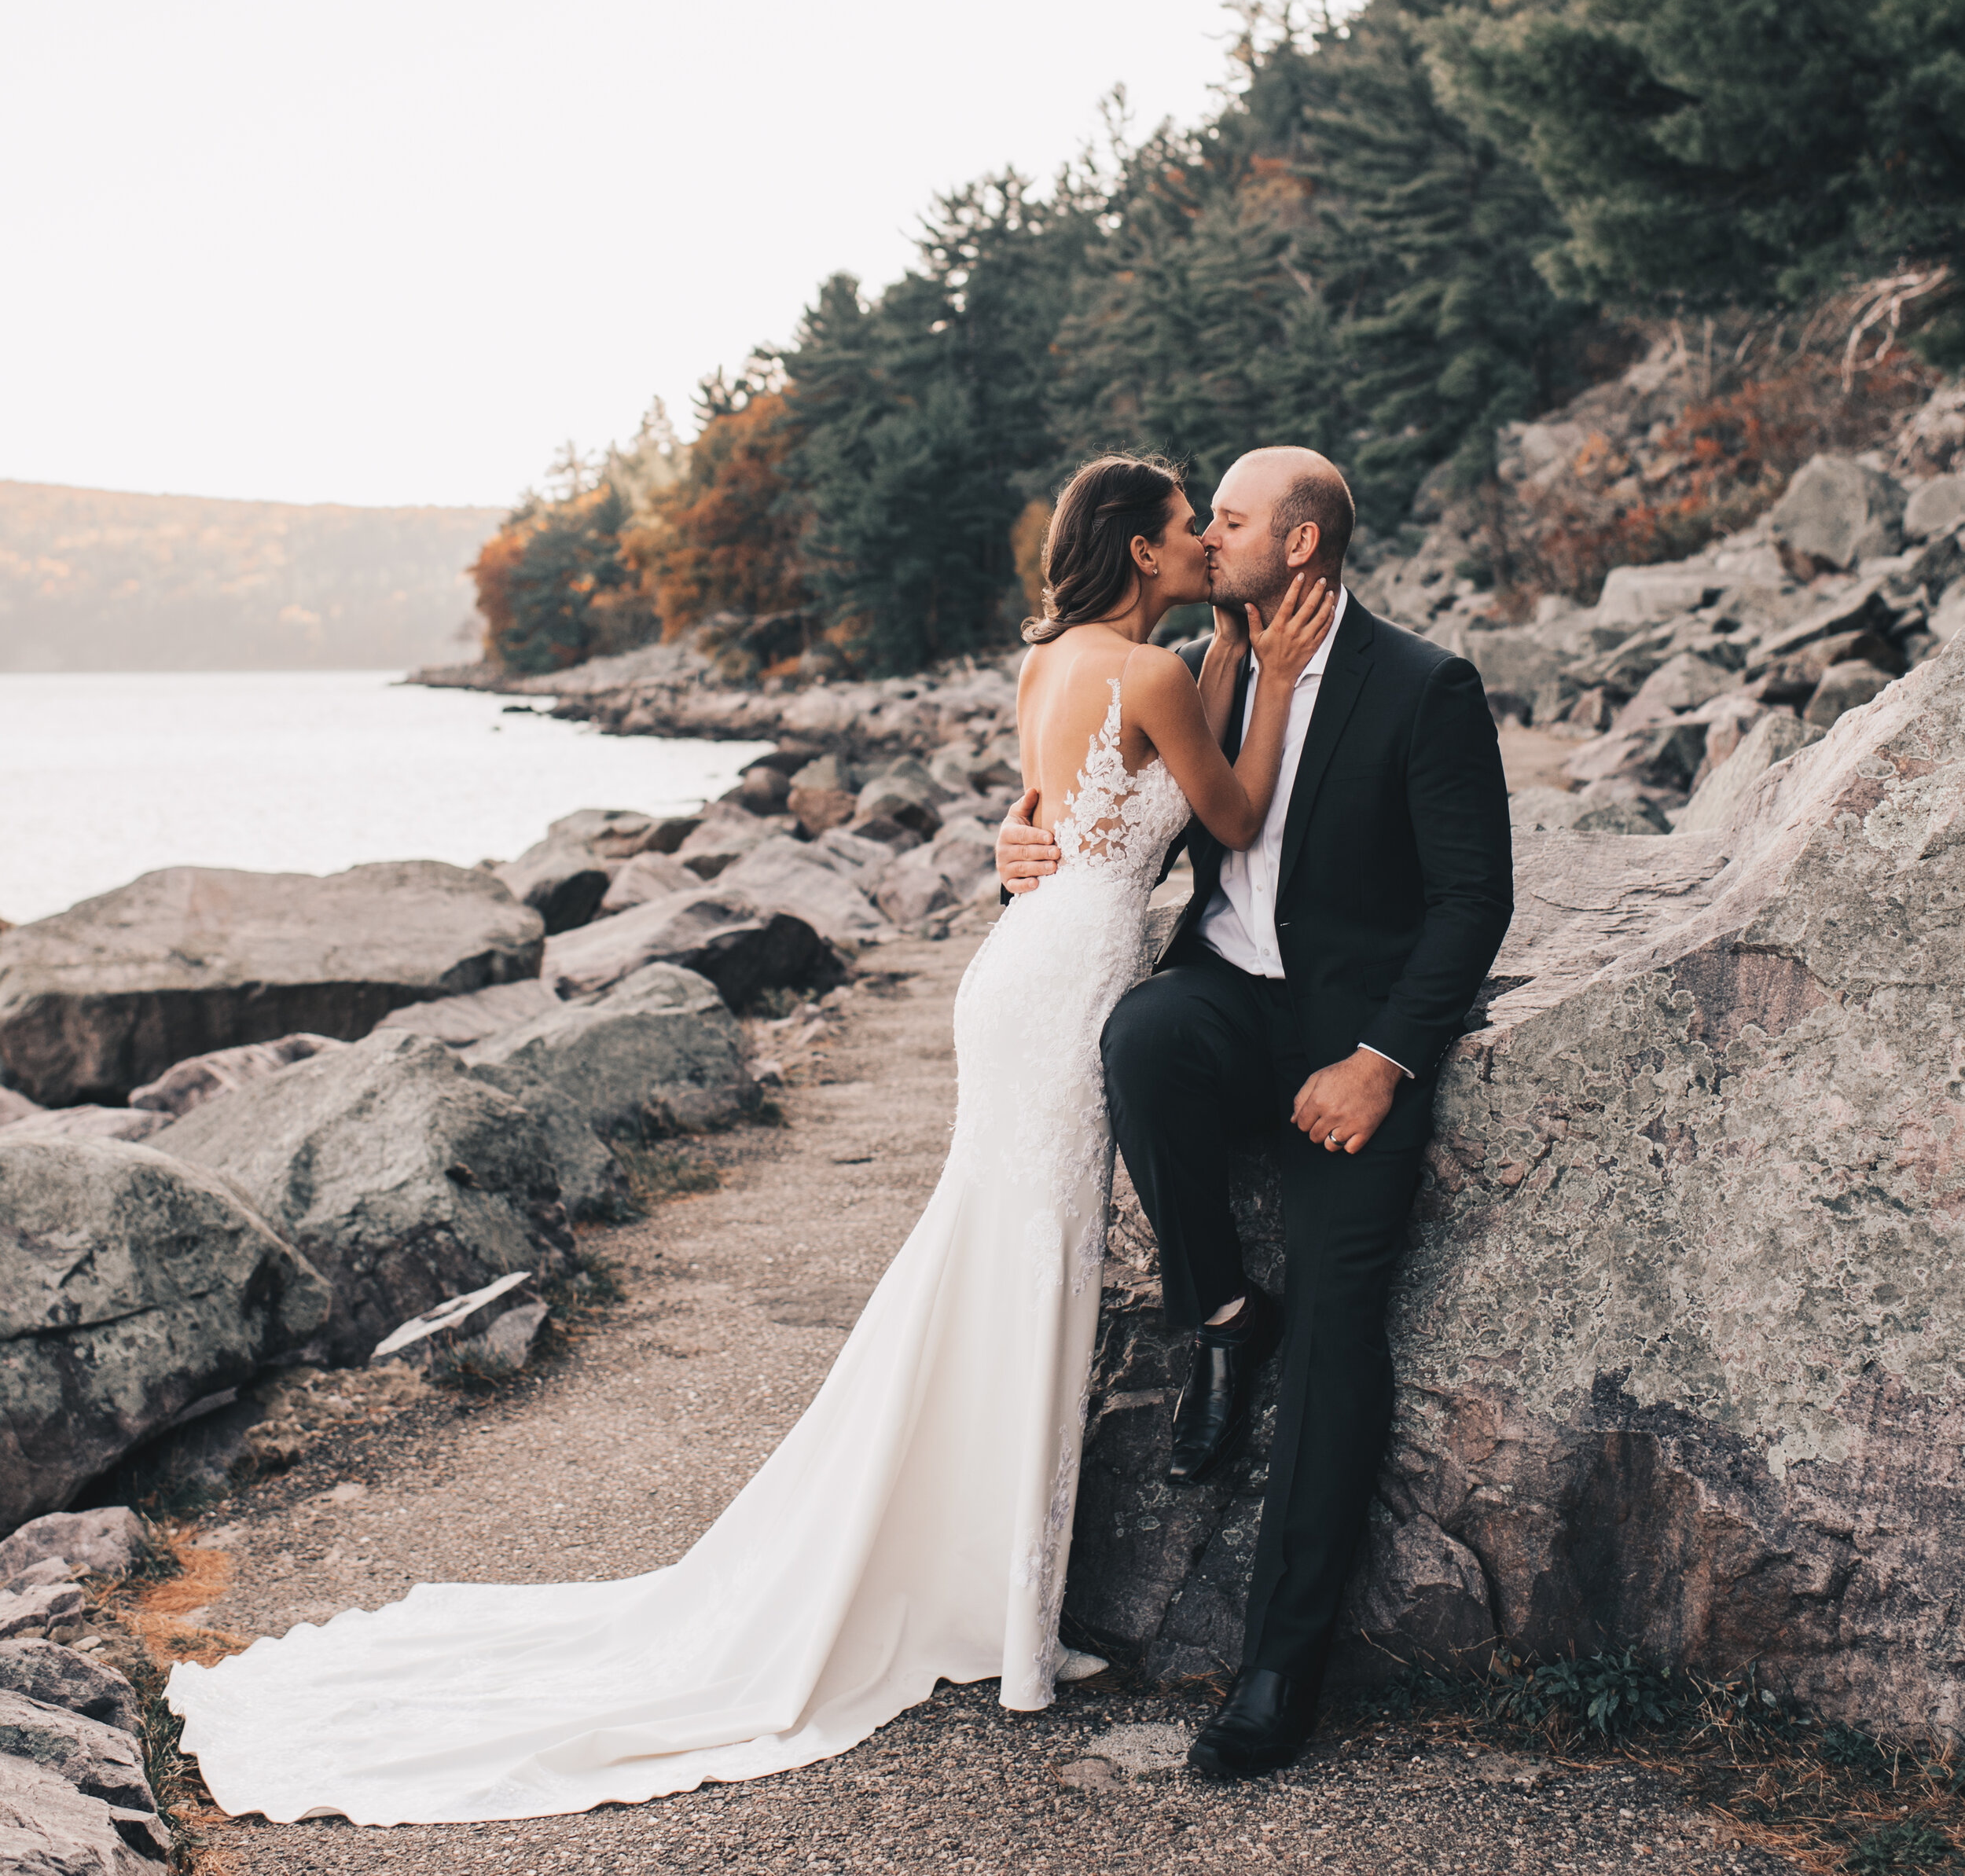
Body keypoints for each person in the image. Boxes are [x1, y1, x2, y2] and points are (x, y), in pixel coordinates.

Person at [166, 453, 1334, 1828]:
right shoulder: (1148, 674)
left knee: (1000, 1274)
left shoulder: (1060, 665)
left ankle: (996, 1599)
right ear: (1141, 549)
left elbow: (1061, 811)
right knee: (1031, 1275)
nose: (1206, 539)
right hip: (1064, 988)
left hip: (1028, 973)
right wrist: (1258, 662)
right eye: (1190, 525)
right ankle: (1007, 1621)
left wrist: (1224, 655)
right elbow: (1237, 814)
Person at [995, 443, 1513, 1781]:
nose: (1205, 538)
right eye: (1200, 520)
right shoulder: (1203, 665)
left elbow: (1473, 900)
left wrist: (1386, 1059)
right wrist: (1022, 839)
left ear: (1299, 546)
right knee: (1141, 1036)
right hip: (1225, 994)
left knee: (1346, 1334)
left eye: (1226, 521)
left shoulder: (1424, 686)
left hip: (1348, 1035)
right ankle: (1220, 1311)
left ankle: (1281, 1666)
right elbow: (1109, 799)